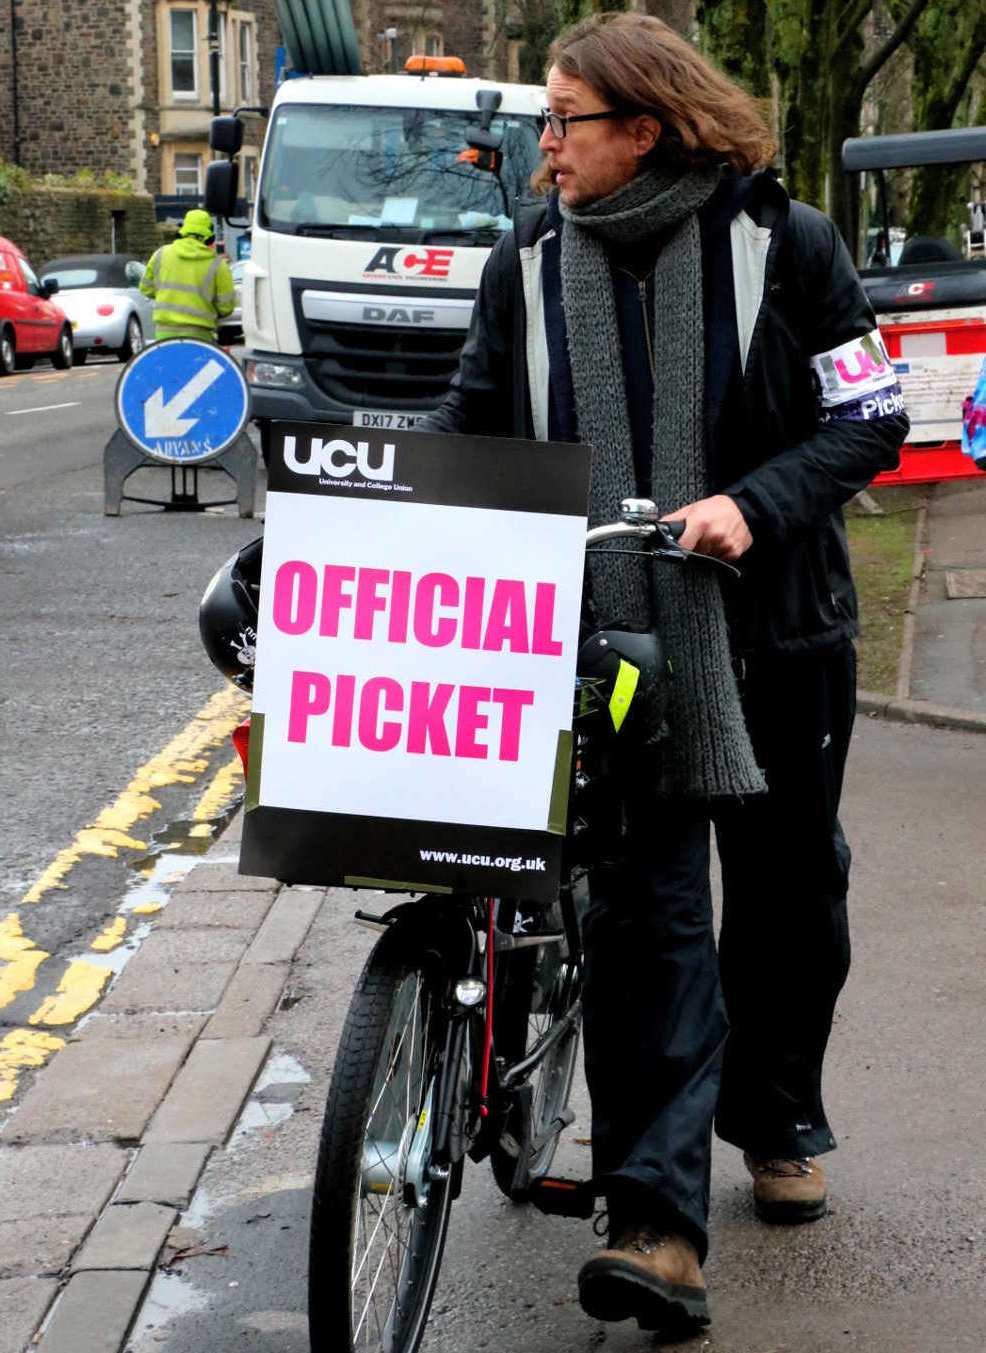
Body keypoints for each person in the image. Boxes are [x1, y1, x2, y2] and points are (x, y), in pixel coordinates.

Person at [421, 11, 908, 1338]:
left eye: (566, 122)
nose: (545, 152)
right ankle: (657, 1223)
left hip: (776, 634)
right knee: (649, 918)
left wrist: (754, 503)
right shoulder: (526, 264)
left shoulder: (786, 245)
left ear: (646, 126)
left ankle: (778, 1115)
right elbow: (469, 429)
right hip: (600, 648)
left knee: (790, 895)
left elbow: (871, 412)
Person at [140, 208, 235, 341]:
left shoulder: (160, 255)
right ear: (209, 237)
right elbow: (226, 308)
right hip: (201, 335)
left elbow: (145, 289)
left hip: (164, 334)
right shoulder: (218, 265)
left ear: (182, 230)